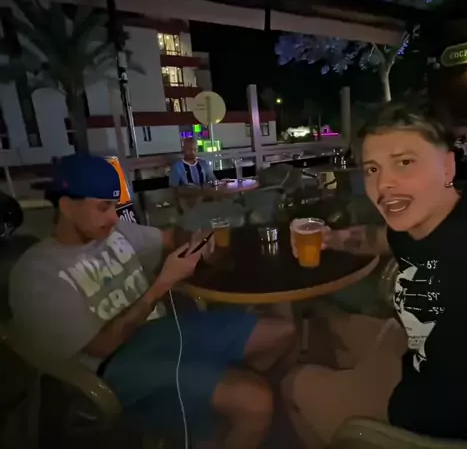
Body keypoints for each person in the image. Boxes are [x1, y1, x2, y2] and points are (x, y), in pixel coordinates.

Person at [9, 154, 295, 448]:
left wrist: (196, 241)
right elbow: (102, 345)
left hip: (162, 332)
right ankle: (228, 411)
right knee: (257, 402)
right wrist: (162, 284)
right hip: (115, 366)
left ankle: (218, 408)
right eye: (103, 207)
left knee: (281, 331)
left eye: (115, 206)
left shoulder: (114, 231)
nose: (114, 217)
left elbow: (171, 236)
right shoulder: (38, 273)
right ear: (68, 207)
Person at [284, 103, 467, 446]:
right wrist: (331, 239)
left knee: (293, 384)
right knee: (329, 327)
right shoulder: (419, 220)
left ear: (448, 166)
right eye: (372, 168)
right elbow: (377, 238)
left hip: (434, 415)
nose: (384, 183)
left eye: (405, 162)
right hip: (417, 354)